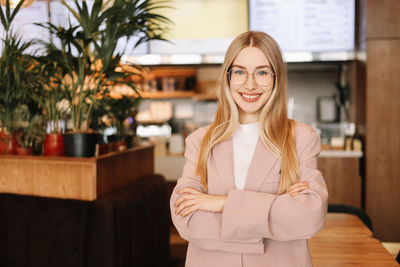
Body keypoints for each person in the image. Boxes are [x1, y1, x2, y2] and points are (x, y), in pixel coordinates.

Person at [170, 31, 328, 267]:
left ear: (276, 78)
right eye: (240, 72)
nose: (250, 84)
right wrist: (272, 215)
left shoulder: (301, 138)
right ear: (228, 77)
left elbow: (310, 216)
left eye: (262, 72)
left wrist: (221, 203)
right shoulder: (199, 141)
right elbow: (187, 219)